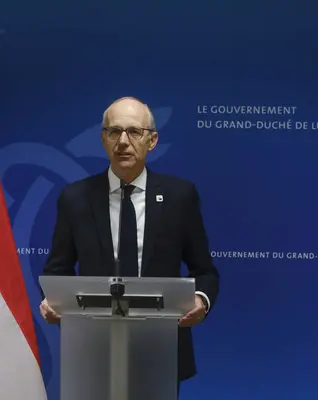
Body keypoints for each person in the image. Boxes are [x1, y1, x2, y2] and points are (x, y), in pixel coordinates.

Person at [39, 96, 219, 396]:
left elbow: (205, 272)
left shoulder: (180, 197)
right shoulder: (75, 198)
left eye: (134, 132)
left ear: (152, 141)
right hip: (92, 349)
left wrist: (200, 300)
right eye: (114, 132)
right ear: (103, 139)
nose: (123, 141)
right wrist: (53, 300)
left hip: (160, 348)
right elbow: (57, 270)